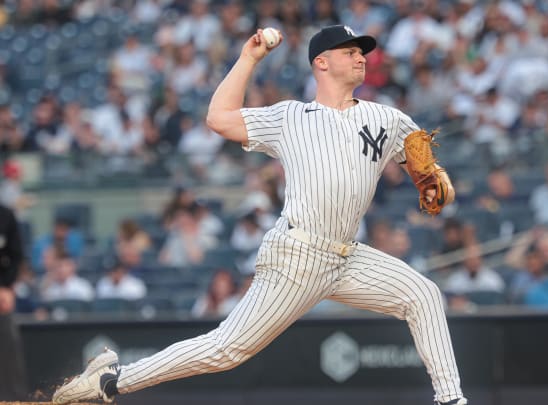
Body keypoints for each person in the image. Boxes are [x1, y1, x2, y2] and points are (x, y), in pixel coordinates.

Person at [53, 25, 466, 405]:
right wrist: (249, 58)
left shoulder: (387, 117)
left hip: (348, 256)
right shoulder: (290, 117)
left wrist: (431, 176)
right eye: (350, 51)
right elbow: (218, 119)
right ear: (321, 61)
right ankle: (112, 380)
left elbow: (419, 158)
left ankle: (451, 400)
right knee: (226, 350)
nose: (361, 58)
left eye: (363, 52)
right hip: (299, 256)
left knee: (423, 294)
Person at [0, 204, 27, 400]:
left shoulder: (5, 215)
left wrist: (7, 287)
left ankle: (12, 398)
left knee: (7, 345)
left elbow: (16, 255)